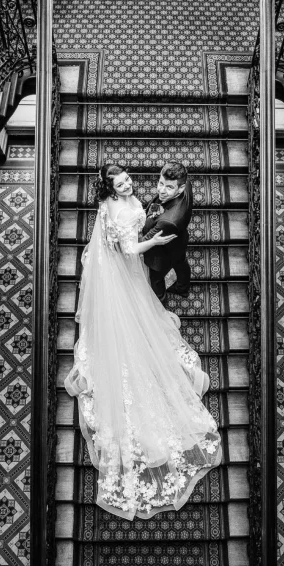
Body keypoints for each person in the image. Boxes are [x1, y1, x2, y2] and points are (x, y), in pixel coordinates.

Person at [64, 163, 221, 520]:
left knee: (146, 302)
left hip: (130, 260)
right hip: (130, 260)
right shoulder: (117, 210)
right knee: (135, 319)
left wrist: (147, 221)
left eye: (128, 180)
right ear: (110, 189)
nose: (128, 186)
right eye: (121, 184)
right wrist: (153, 241)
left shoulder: (127, 202)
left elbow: (138, 218)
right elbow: (130, 249)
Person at [142, 161, 192, 303]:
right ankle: (183, 288)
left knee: (156, 281)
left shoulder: (168, 221)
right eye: (161, 183)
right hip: (179, 240)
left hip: (159, 255)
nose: (161, 191)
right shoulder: (187, 184)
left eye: (169, 187)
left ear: (181, 188)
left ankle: (161, 308)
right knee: (181, 261)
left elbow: (144, 241)